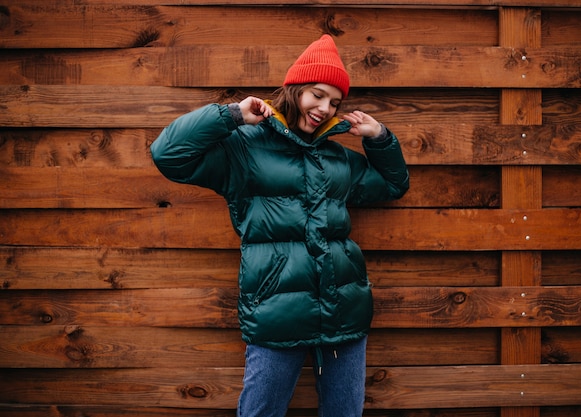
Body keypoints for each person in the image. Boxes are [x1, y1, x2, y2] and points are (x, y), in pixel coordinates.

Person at [150, 34, 409, 417]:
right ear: (295, 89)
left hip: (344, 311)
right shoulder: (244, 149)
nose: (324, 108)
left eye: (335, 102)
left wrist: (380, 138)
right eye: (317, 95)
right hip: (275, 312)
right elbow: (168, 154)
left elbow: (392, 184)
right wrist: (232, 115)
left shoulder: (338, 158)